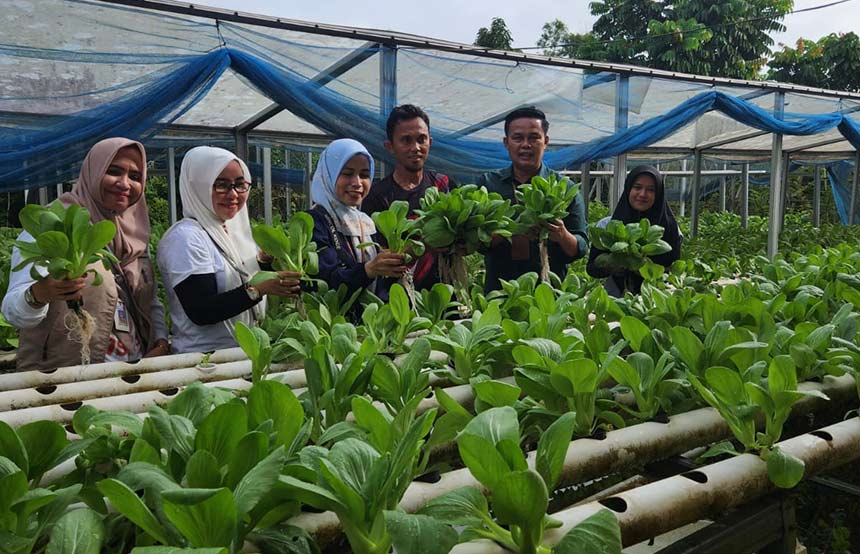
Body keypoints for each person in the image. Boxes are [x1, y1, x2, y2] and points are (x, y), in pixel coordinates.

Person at [2, 138, 169, 371]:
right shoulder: (53, 225)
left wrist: (160, 340)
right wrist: (39, 294)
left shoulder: (134, 233)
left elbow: (150, 300)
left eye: (135, 176)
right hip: (66, 377)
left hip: (133, 370)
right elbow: (12, 312)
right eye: (114, 171)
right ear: (93, 171)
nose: (125, 183)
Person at [157, 146, 300, 354]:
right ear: (198, 186)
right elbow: (202, 310)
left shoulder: (231, 231)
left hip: (241, 355)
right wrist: (259, 288)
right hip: (203, 361)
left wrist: (263, 262)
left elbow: (237, 275)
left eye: (240, 185)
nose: (233, 194)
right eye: (221, 185)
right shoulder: (186, 238)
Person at [477, 107, 588, 292]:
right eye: (518, 138)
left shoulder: (564, 187)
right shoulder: (488, 184)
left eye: (534, 137)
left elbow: (581, 247)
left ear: (546, 141)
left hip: (550, 294)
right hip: (499, 292)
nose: (526, 144)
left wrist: (562, 235)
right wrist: (510, 230)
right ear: (506, 142)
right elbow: (476, 242)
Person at [361, 104, 455, 291]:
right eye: (406, 140)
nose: (416, 147)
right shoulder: (377, 196)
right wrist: (428, 242)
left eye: (422, 139)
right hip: (398, 294)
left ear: (430, 141)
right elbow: (382, 257)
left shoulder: (443, 185)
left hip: (446, 292)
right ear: (390, 146)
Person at [308, 138, 406, 302]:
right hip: (330, 323)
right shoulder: (315, 221)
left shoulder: (366, 222)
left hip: (371, 323)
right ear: (329, 175)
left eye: (364, 175)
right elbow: (324, 283)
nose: (357, 183)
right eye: (347, 173)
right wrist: (368, 270)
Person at [586, 165, 682, 296]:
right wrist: (613, 265)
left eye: (651, 190)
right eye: (637, 187)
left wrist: (645, 268)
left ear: (658, 194)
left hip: (657, 298)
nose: (643, 194)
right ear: (628, 189)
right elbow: (592, 269)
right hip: (616, 298)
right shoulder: (607, 225)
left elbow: (675, 270)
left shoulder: (670, 228)